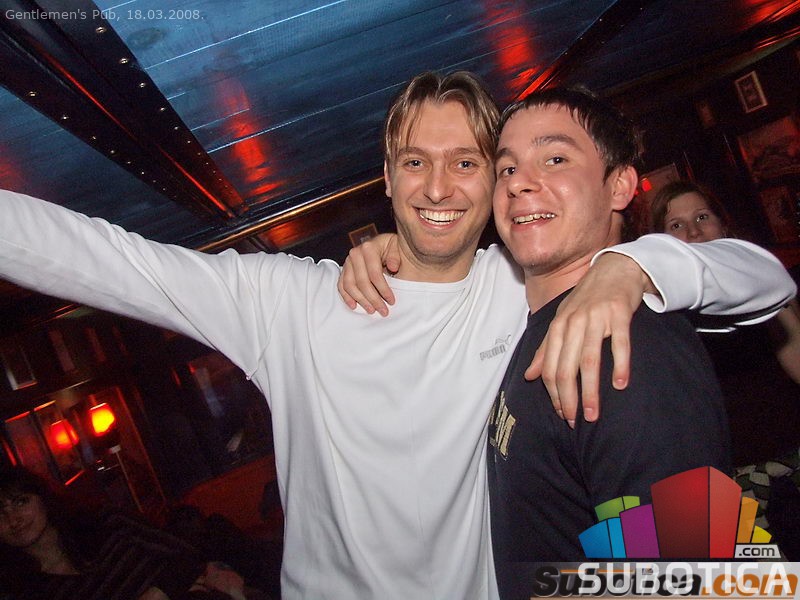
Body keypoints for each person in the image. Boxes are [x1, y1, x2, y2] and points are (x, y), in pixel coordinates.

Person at [0, 72, 794, 599]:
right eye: (416, 162)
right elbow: (105, 259)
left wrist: (636, 263)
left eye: (467, 163)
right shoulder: (288, 302)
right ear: (386, 177)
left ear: (492, 183)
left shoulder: (525, 289)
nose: (439, 188)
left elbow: (766, 280)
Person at [482, 88, 733, 591]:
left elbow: (687, 578)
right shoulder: (538, 321)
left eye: (555, 159)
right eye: (507, 168)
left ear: (619, 186)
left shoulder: (629, 348)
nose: (519, 182)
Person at [0, 465, 255, 600]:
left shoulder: (107, 524)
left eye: (21, 502)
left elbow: (186, 555)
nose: (13, 519)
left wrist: (157, 594)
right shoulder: (28, 591)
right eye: (0, 513)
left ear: (44, 500)